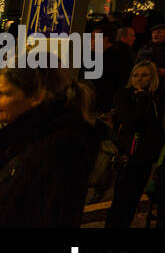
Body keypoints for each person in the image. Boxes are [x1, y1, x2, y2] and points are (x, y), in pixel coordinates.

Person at [0, 65, 101, 226]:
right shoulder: (19, 137)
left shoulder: (62, 145)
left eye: (4, 94)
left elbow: (54, 214)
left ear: (36, 97)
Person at [105, 61, 165, 228]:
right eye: (135, 75)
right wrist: (140, 101)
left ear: (152, 78)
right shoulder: (123, 95)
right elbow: (132, 122)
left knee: (134, 198)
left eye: (144, 75)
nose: (139, 79)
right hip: (129, 153)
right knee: (121, 200)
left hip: (146, 155)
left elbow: (157, 126)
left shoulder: (156, 97)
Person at [135, 22, 165, 103]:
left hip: (163, 86)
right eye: (153, 32)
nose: (155, 34)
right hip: (145, 85)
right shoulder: (146, 48)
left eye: (159, 32)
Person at [95, 27, 139, 114]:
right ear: (123, 38)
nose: (134, 38)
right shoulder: (124, 54)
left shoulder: (115, 52)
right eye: (132, 35)